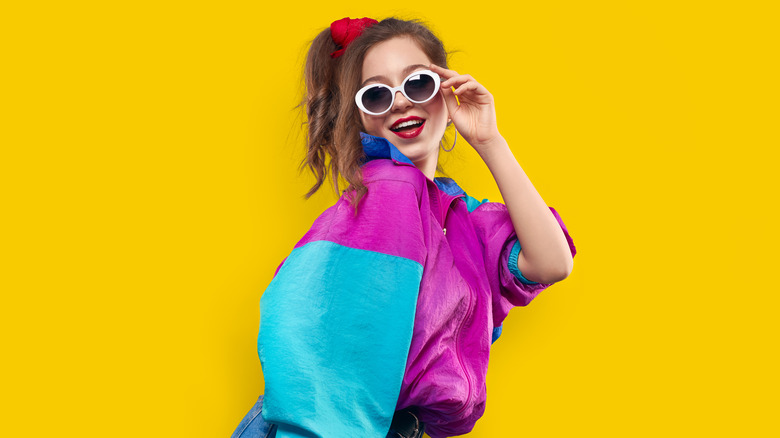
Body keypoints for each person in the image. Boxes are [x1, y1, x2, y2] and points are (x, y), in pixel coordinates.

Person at [231, 16, 576, 438]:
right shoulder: (383, 195)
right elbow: (305, 335)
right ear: (362, 118)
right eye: (377, 94)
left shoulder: (459, 218)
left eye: (417, 85)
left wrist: (489, 140)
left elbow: (551, 262)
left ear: (448, 93)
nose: (399, 102)